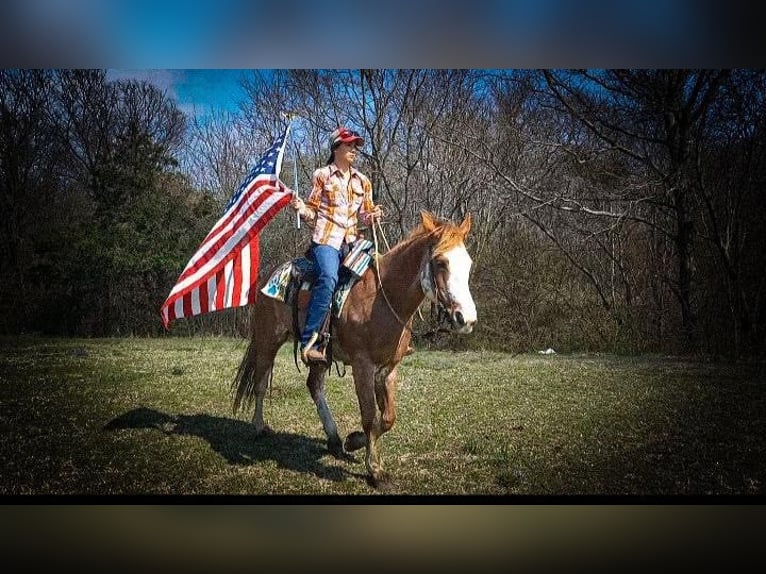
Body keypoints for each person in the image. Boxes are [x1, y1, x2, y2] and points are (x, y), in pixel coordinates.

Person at [291, 126, 383, 364]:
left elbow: (365, 214)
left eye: (355, 146)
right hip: (326, 240)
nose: (354, 149)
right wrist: (302, 209)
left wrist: (372, 216)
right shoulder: (322, 175)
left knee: (379, 273)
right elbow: (312, 209)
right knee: (329, 278)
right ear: (336, 147)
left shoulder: (363, 181)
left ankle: (385, 338)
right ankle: (311, 339)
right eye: (349, 145)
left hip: (353, 241)